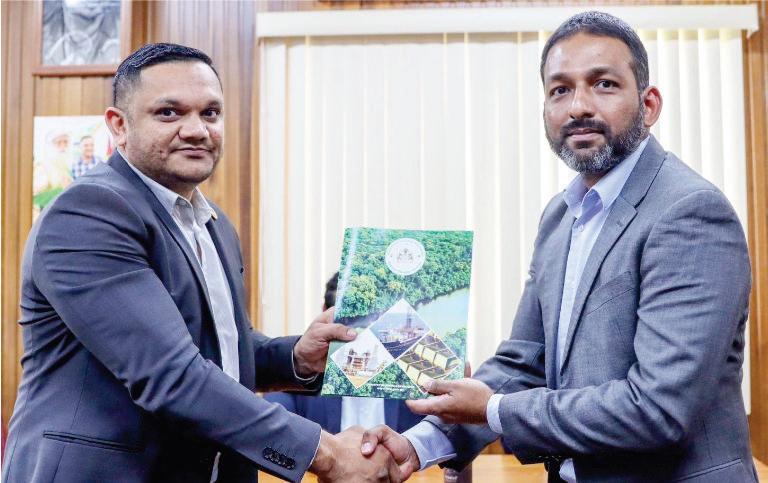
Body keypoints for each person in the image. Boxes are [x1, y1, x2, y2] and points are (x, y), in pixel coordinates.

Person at [361, 11, 756, 483]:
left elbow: (657, 409)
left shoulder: (690, 212)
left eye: (604, 84)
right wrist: (418, 443)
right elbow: (523, 362)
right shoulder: (560, 215)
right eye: (560, 90)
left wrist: (495, 409)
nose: (578, 107)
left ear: (649, 105)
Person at [2, 43, 401, 483]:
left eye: (210, 113)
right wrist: (326, 453)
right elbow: (170, 374)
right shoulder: (90, 213)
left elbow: (221, 349)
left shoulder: (213, 224)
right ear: (119, 126)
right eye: (168, 113)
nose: (196, 130)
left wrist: (297, 357)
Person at [265, 273, 424, 435]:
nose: (363, 333)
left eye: (374, 318)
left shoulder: (416, 377)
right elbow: (271, 432)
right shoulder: (295, 380)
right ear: (326, 315)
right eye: (353, 319)